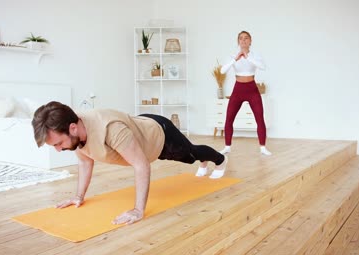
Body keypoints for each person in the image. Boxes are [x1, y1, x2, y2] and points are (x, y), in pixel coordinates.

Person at [31, 101, 228, 225]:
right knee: (192, 156)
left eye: (58, 143)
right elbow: (85, 163)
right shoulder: (76, 133)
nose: (58, 149)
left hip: (160, 134)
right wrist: (78, 196)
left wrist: (138, 210)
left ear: (73, 128)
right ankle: (204, 160)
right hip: (140, 130)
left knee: (190, 155)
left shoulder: (110, 130)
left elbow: (141, 165)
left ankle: (219, 159)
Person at [219, 30, 272, 156]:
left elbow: (262, 67)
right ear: (238, 41)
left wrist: (248, 57)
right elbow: (222, 71)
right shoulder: (233, 56)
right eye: (241, 38)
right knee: (229, 118)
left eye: (246, 38)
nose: (243, 40)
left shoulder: (255, 55)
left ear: (250, 41)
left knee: (259, 118)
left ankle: (263, 147)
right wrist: (235, 59)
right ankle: (227, 146)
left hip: (252, 89)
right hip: (238, 89)